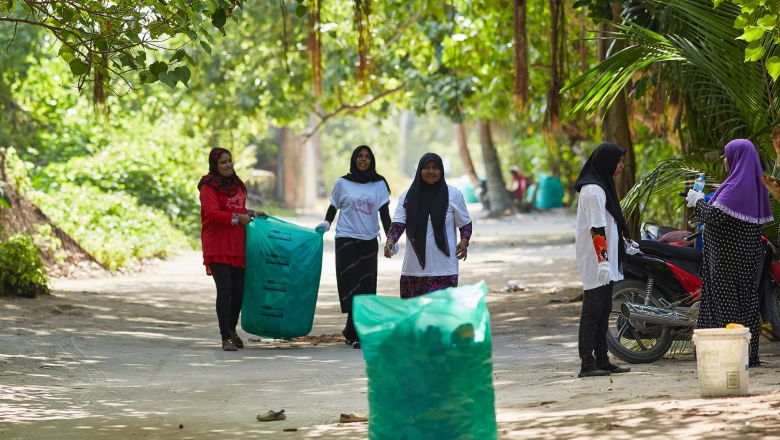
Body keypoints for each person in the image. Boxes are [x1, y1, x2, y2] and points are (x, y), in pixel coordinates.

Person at [686, 139, 772, 367]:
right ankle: (747, 356)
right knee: (746, 304)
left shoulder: (735, 187)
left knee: (726, 306)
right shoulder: (752, 186)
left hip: (726, 262)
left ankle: (728, 356)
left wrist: (697, 202)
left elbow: (715, 217)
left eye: (727, 155)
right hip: (745, 262)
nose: (724, 160)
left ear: (737, 158)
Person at [316, 145, 392, 349]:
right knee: (350, 283)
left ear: (372, 160)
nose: (364, 159)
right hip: (346, 238)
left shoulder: (379, 184)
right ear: (354, 159)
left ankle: (352, 331)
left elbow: (384, 213)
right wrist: (327, 223)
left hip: (368, 239)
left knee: (366, 286)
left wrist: (391, 237)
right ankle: (358, 332)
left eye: (367, 156)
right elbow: (334, 206)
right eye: (360, 156)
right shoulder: (342, 183)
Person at [574, 142, 632, 378]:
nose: (621, 166)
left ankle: (602, 360)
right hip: (596, 261)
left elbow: (610, 224)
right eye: (618, 161)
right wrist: (604, 261)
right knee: (592, 311)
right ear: (606, 162)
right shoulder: (594, 191)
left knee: (604, 309)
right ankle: (587, 363)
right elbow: (597, 229)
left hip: (604, 259)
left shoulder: (603, 187)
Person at [199, 147, 265, 351]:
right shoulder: (208, 187)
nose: (228, 165)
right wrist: (238, 218)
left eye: (229, 161)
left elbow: (237, 208)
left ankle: (232, 329)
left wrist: (253, 213)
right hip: (218, 244)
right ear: (215, 165)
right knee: (225, 290)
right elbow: (212, 213)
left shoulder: (238, 184)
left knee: (238, 292)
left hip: (237, 244)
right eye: (223, 162)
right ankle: (225, 336)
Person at [383, 152, 472, 298]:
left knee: (441, 315)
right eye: (427, 168)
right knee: (414, 317)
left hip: (444, 270)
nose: (431, 171)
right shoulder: (407, 196)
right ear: (419, 170)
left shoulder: (453, 194)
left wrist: (464, 241)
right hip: (413, 271)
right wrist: (391, 240)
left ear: (441, 171)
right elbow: (398, 223)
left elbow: (465, 224)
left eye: (435, 168)